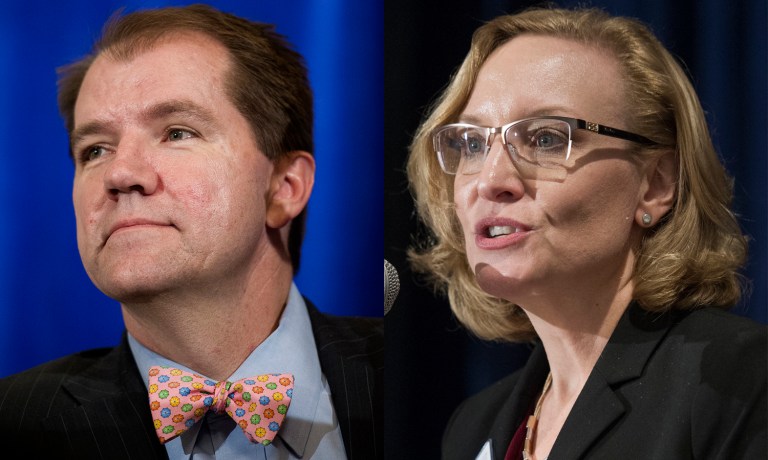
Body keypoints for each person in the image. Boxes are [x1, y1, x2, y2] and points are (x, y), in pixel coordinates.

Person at [0, 5, 382, 459]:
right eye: (95, 150)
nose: (119, 174)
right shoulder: (13, 424)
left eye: (177, 133)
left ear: (284, 187)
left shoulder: (414, 373)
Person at [406, 7, 766, 460]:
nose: (491, 179)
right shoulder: (474, 426)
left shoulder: (735, 380)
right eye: (473, 144)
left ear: (655, 184)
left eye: (545, 139)